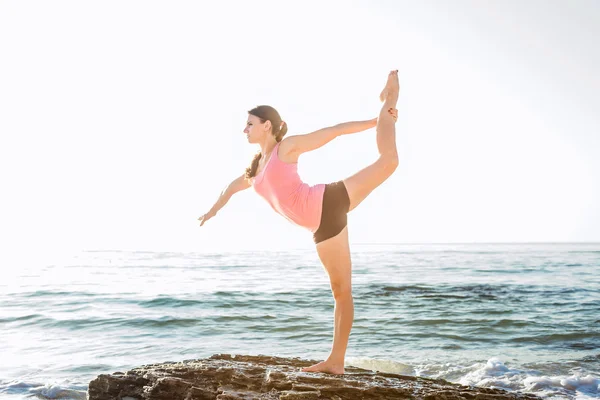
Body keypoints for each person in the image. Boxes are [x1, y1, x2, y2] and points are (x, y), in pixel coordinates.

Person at [198, 70, 400, 374]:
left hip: (328, 201)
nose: (245, 129)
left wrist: (376, 121)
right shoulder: (255, 170)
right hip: (320, 228)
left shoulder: (286, 148)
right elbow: (230, 187)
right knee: (341, 291)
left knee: (389, 162)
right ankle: (336, 363)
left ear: (266, 126)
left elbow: (333, 131)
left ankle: (388, 101)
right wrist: (213, 210)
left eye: (249, 124)